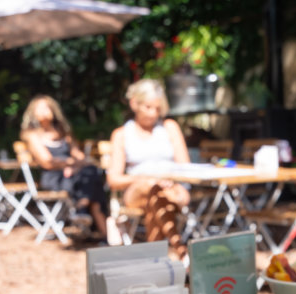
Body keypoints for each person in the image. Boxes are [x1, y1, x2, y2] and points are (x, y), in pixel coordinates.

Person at [106, 79, 191, 252]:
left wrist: (168, 180)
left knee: (156, 198)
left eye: (158, 109)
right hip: (137, 191)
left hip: (171, 188)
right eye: (148, 107)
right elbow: (114, 179)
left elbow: (185, 168)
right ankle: (180, 249)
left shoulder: (170, 127)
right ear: (134, 104)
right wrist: (147, 179)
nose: (153, 114)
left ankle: (156, 259)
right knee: (151, 187)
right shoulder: (122, 135)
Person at [20, 95, 109, 239]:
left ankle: (83, 209)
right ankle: (98, 227)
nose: (44, 111)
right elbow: (47, 162)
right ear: (33, 112)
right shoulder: (32, 135)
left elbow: (80, 157)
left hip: (74, 175)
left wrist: (73, 167)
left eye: (46, 107)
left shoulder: (63, 133)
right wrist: (71, 164)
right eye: (40, 108)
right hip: (54, 178)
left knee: (90, 173)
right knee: (91, 179)